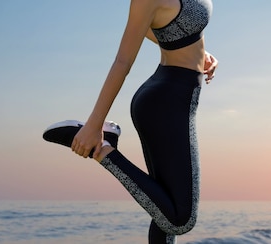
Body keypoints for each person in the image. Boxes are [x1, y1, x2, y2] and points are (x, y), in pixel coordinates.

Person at [42, 0, 217, 243]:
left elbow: (157, 26)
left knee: (162, 206)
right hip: (167, 103)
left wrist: (193, 46)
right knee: (180, 219)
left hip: (175, 95)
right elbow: (123, 61)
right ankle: (103, 149)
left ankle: (107, 140)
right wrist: (94, 125)